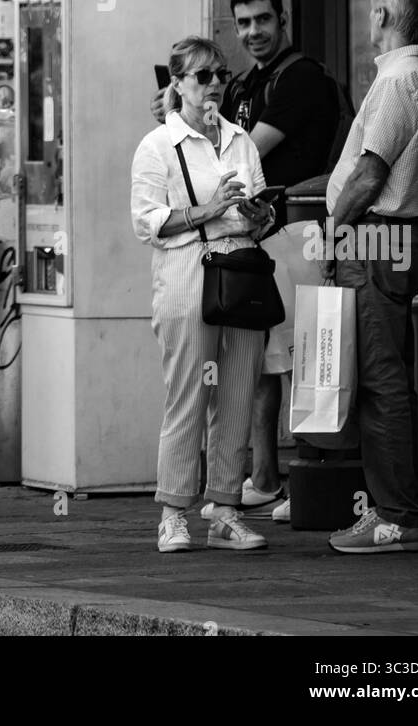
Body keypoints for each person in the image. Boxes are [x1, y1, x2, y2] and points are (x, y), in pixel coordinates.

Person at [151, 0, 339, 521]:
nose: (253, 31)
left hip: (296, 227)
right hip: (257, 236)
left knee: (299, 360)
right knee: (262, 367)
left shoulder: (300, 77)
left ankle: (304, 479)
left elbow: (242, 152)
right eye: (243, 23)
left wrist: (188, 134)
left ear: (283, 18)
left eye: (262, 19)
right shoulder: (248, 81)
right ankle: (263, 479)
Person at [323, 0, 418, 553]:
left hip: (374, 240)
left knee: (380, 383)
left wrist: (332, 236)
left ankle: (395, 517)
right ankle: (396, 512)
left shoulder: (400, 80)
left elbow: (371, 175)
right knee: (391, 379)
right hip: (395, 238)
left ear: (380, 14)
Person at [132, 36, 275, 553]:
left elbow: (258, 213)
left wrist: (262, 216)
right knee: (188, 396)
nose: (214, 83)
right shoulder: (157, 146)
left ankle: (225, 509)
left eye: (220, 74)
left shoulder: (241, 141)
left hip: (240, 271)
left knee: (238, 394)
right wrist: (210, 209)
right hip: (188, 274)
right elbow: (147, 222)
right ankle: (173, 511)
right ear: (178, 85)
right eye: (202, 76)